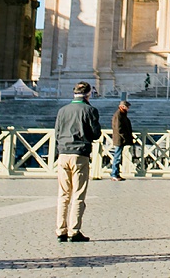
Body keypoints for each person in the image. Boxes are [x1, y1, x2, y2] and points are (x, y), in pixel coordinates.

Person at [52, 82, 101, 243]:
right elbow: (95, 134)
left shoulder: (62, 110)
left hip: (63, 154)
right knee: (78, 194)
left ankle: (60, 230)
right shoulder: (90, 110)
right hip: (80, 154)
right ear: (88, 94)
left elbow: (57, 132)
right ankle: (74, 231)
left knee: (63, 194)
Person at [109, 102, 133, 181]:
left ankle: (116, 173)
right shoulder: (118, 114)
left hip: (120, 139)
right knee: (117, 157)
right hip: (119, 139)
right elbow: (119, 128)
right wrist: (124, 136)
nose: (128, 108)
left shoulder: (122, 114)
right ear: (122, 106)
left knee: (118, 156)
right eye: (126, 107)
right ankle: (114, 174)